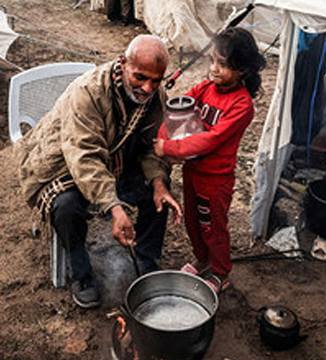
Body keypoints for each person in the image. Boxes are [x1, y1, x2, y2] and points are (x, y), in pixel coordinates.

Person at [15, 35, 182, 309]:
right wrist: (114, 207)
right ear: (123, 62)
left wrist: (159, 181)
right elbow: (84, 156)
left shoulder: (155, 96)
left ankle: (146, 261)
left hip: (117, 160)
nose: (147, 87)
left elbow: (153, 146)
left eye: (156, 80)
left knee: (159, 194)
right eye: (139, 77)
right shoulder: (89, 91)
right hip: (67, 161)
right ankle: (81, 274)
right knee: (66, 207)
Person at [154, 27, 266, 294]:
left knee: (212, 227)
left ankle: (220, 272)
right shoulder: (205, 89)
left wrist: (171, 147)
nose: (214, 69)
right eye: (212, 61)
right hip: (193, 172)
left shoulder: (241, 105)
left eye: (223, 64)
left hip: (215, 181)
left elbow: (211, 139)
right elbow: (174, 114)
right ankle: (203, 261)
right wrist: (164, 143)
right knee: (193, 223)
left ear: (243, 69)